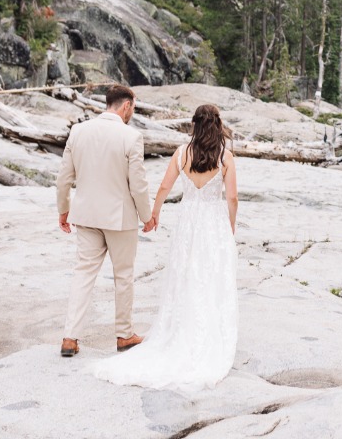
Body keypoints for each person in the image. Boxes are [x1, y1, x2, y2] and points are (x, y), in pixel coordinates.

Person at [91, 103, 239, 390]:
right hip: (212, 222)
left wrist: (154, 214)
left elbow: (163, 187)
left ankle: (180, 329)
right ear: (218, 126)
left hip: (188, 222)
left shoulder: (182, 153)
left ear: (194, 125)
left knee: (185, 274)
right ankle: (209, 332)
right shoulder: (225, 156)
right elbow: (231, 198)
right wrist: (230, 226)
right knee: (212, 275)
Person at [56, 84, 155, 358]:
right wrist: (147, 217)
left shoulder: (78, 131)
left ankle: (69, 337)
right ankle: (124, 335)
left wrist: (63, 209)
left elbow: (64, 177)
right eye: (133, 107)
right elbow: (138, 184)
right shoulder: (131, 137)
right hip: (119, 218)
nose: (132, 112)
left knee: (83, 274)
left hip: (86, 215)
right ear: (125, 106)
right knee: (123, 276)